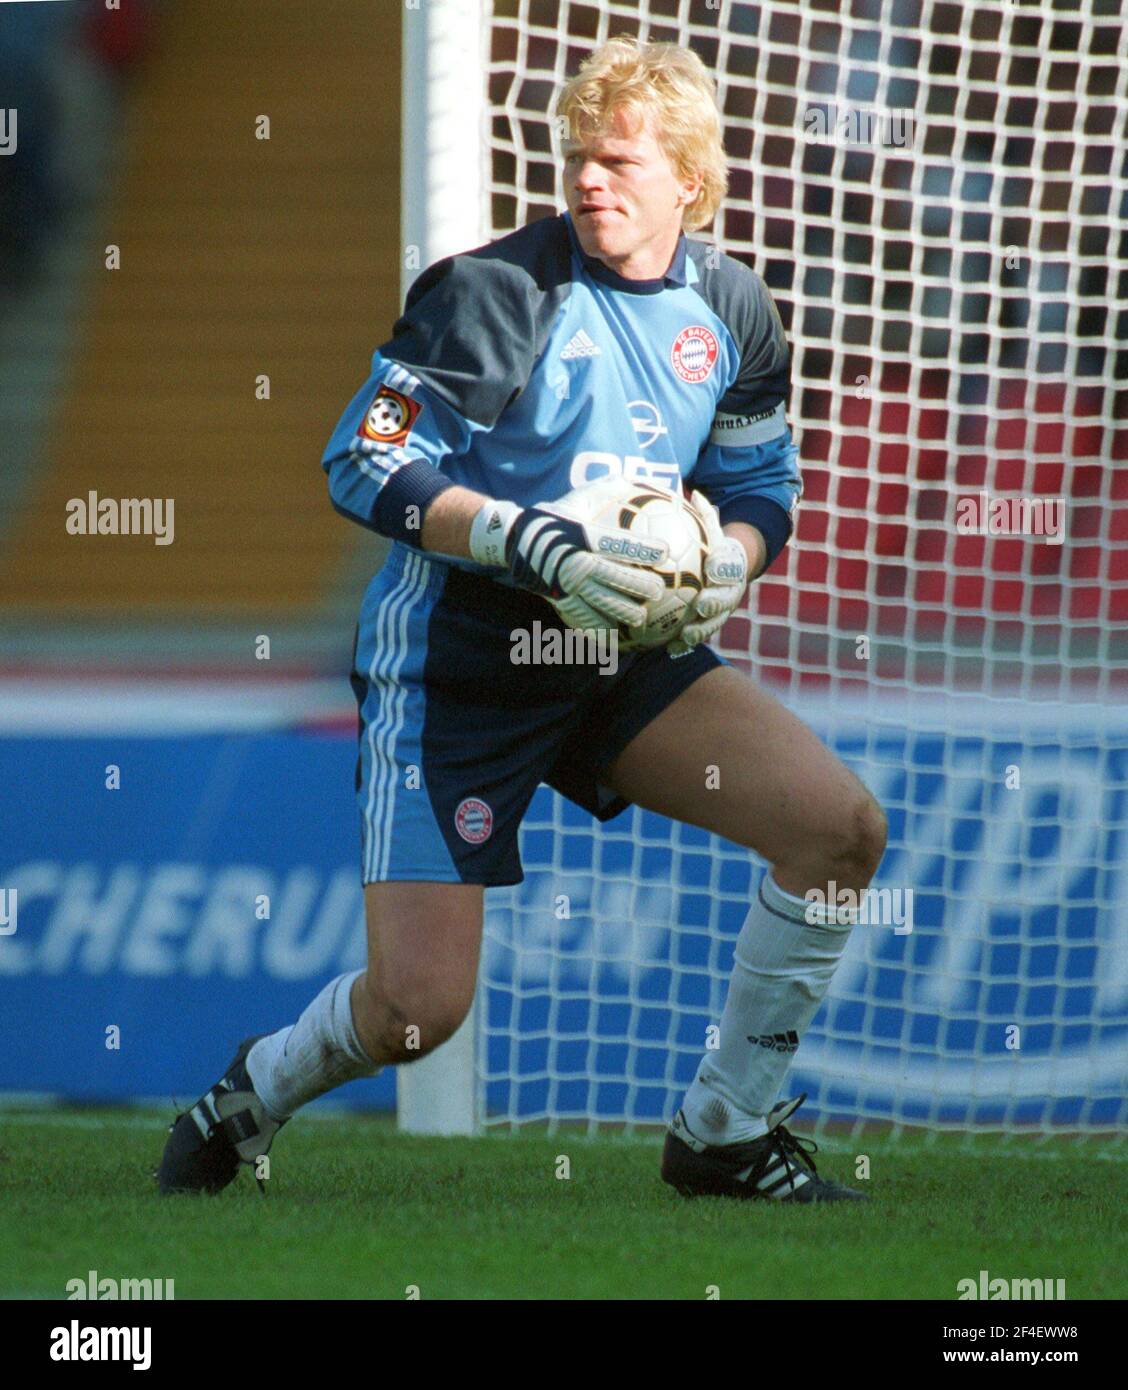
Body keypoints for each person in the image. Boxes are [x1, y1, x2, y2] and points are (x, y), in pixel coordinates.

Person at [158, 36, 886, 1203]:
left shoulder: (734, 307)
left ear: (688, 180)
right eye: (577, 157)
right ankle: (255, 1086)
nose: (589, 179)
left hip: (621, 648)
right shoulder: (499, 292)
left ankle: (725, 1132)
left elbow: (761, 485)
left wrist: (730, 565)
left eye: (618, 160)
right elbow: (360, 458)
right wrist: (524, 536)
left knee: (841, 830)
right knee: (415, 1016)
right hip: (460, 666)